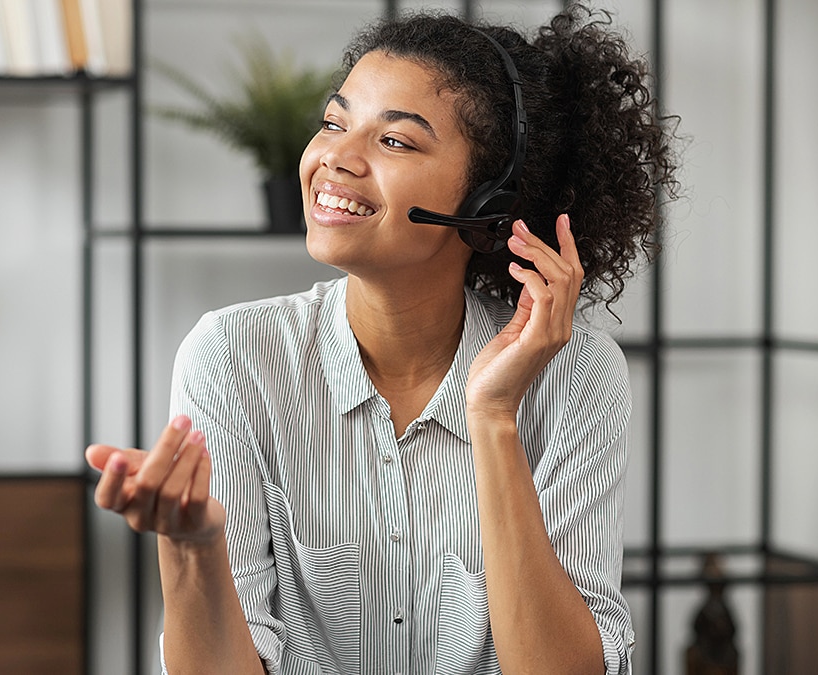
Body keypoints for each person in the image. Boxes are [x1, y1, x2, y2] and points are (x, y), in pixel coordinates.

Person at [86, 5, 677, 674]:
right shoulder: (232, 357)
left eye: (394, 141)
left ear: (487, 203)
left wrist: (493, 418)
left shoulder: (577, 372)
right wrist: (192, 545)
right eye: (335, 123)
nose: (335, 156)